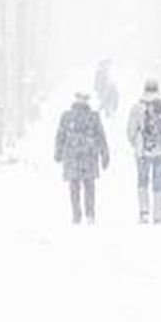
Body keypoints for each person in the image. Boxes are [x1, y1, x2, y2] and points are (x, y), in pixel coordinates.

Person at [127, 79, 161, 224]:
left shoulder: (137, 107)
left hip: (144, 150)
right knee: (159, 180)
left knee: (143, 180)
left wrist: (136, 144)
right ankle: (158, 214)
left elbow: (130, 131)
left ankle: (144, 212)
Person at [54, 91, 109, 224]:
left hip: (72, 155)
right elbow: (101, 137)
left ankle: (76, 214)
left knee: (74, 186)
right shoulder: (93, 117)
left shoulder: (66, 116)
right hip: (89, 155)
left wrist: (58, 152)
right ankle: (90, 214)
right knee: (89, 185)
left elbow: (60, 135)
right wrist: (104, 154)